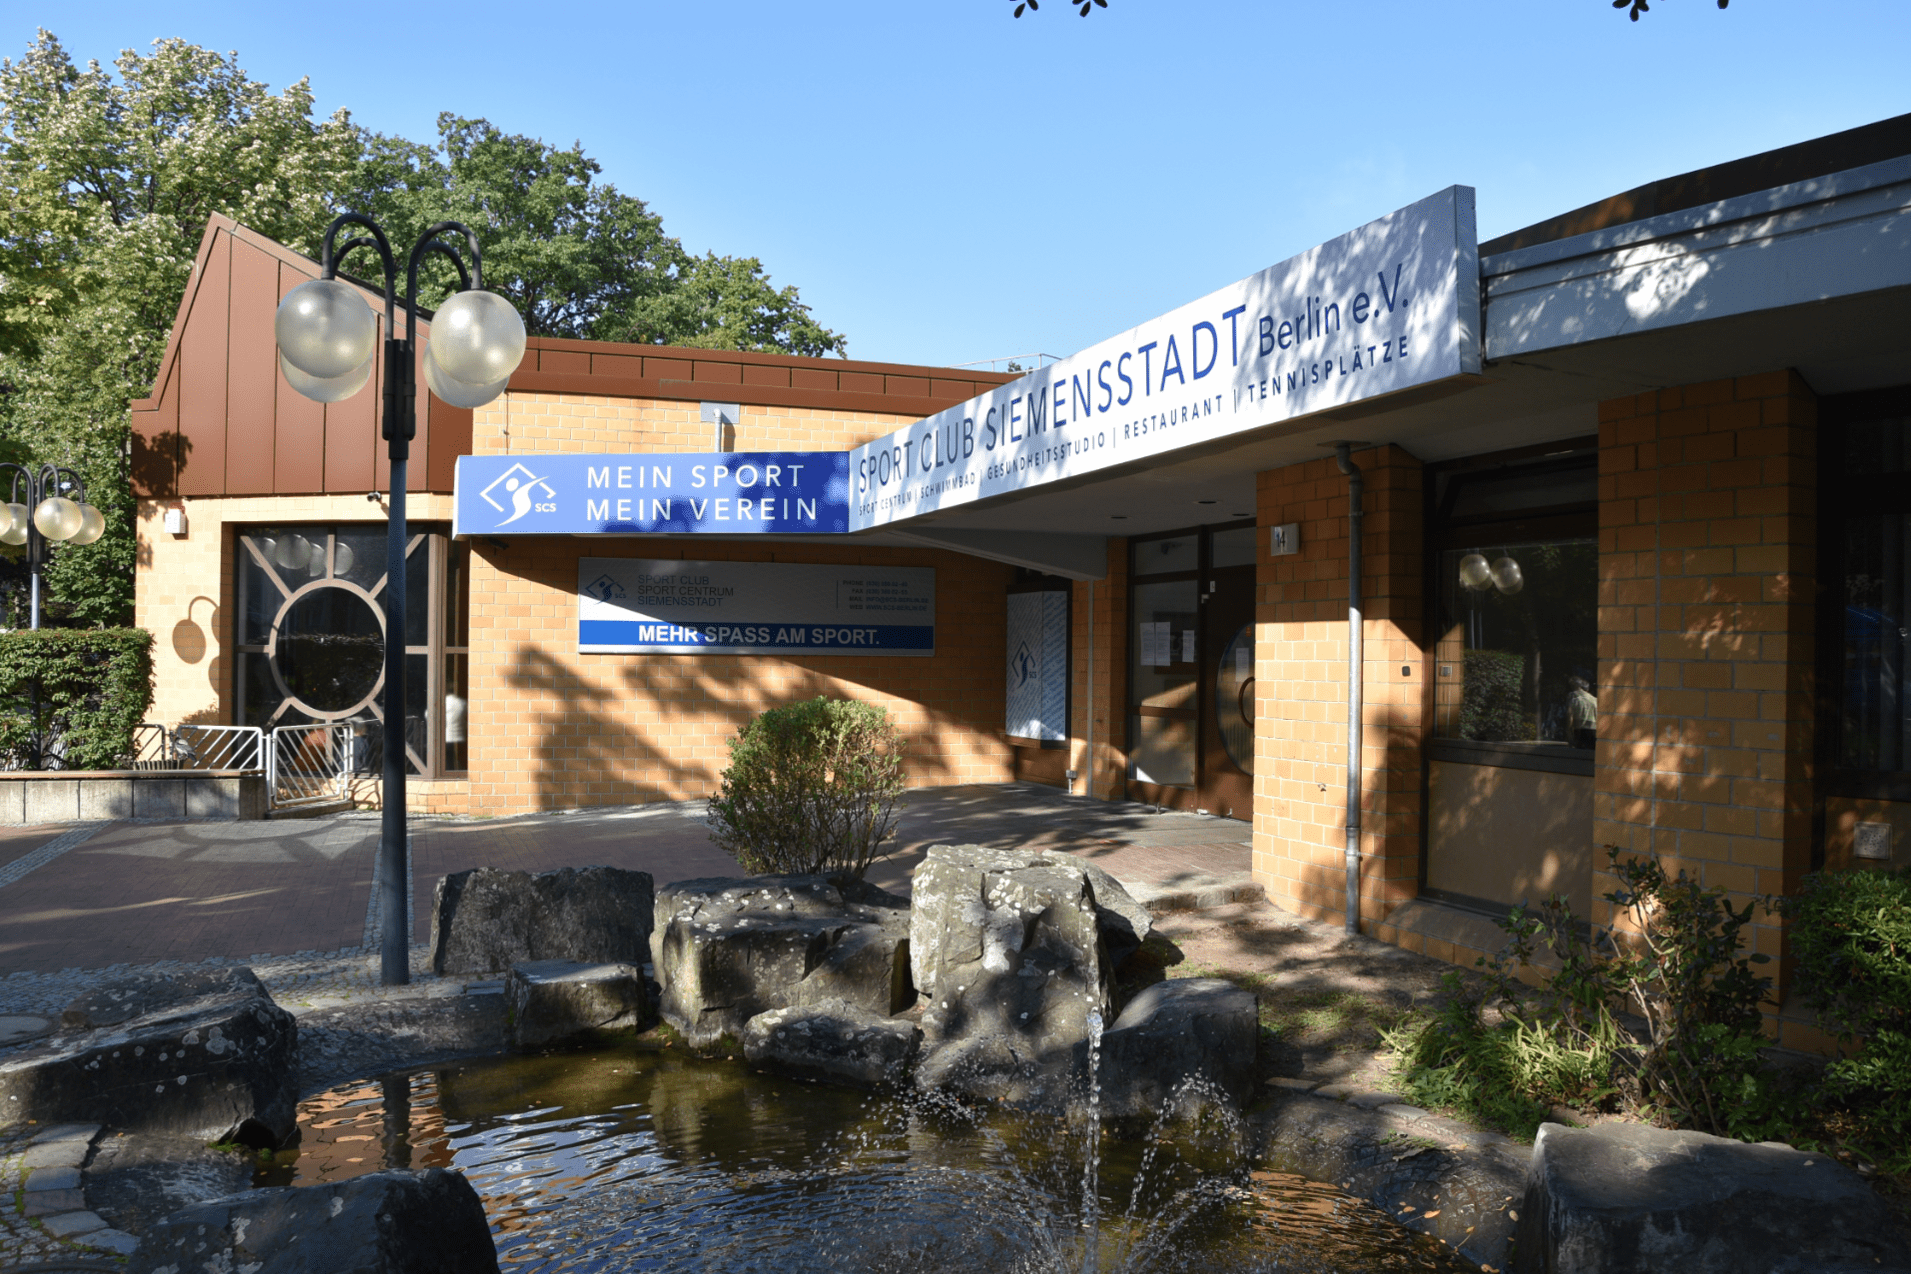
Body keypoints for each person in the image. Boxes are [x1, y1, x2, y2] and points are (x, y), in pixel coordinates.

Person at [1567, 675, 1597, 750]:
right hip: (1593, 733)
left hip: (1579, 733)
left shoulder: (1574, 700)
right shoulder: (1595, 700)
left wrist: (1569, 736)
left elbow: (1569, 720)